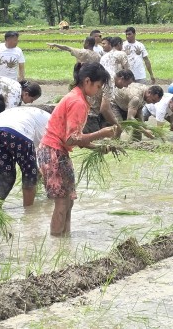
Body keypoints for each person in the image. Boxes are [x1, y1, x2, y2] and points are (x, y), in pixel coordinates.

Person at [37, 63, 118, 236]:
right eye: (98, 86)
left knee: (68, 201)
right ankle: (57, 242)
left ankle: (64, 239)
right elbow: (71, 138)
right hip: (53, 152)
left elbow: (77, 140)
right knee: (62, 202)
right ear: (87, 81)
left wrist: (97, 148)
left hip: (55, 151)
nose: (98, 91)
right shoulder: (78, 102)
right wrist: (101, 133)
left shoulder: (77, 97)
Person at [0, 106, 51, 206]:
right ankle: (28, 213)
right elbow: (46, 160)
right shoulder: (52, 121)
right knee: (29, 175)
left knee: (2, 173)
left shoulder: (33, 113)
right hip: (17, 131)